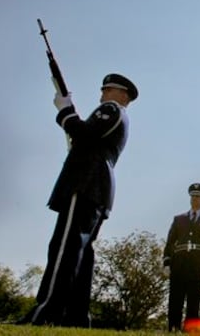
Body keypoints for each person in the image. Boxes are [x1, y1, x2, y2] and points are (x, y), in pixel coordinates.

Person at [22, 73, 138, 327]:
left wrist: (66, 110)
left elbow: (84, 134)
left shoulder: (111, 110)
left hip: (86, 183)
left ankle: (47, 311)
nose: (102, 95)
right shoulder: (118, 115)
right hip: (97, 187)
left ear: (122, 95)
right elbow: (88, 140)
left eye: (107, 90)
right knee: (81, 254)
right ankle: (74, 316)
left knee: (64, 248)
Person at [163, 183, 200, 332]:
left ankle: (190, 331)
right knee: (175, 299)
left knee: (194, 301)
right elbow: (169, 244)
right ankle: (173, 329)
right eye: (193, 196)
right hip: (179, 262)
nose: (195, 199)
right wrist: (166, 263)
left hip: (198, 264)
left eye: (199, 197)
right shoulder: (179, 219)